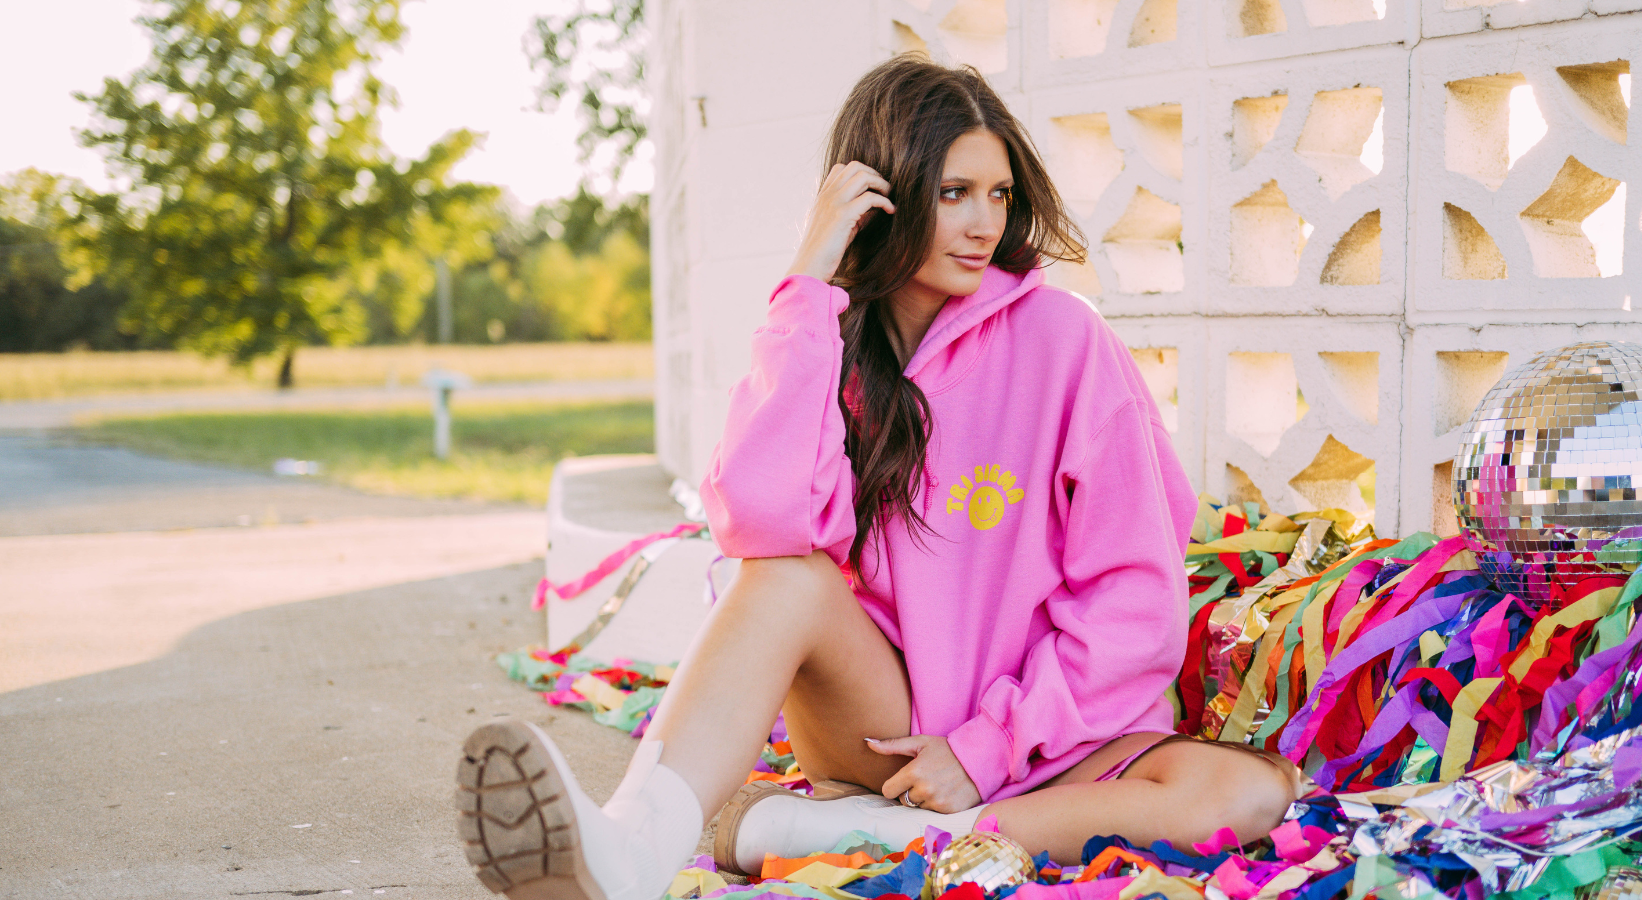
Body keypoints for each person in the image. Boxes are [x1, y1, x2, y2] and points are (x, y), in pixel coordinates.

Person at [455, 56, 1300, 900]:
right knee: (786, 577)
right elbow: (761, 521)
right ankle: (632, 851)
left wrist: (985, 751)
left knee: (1249, 793)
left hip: (1062, 744)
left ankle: (889, 837)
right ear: (885, 197)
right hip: (888, 733)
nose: (982, 225)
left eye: (998, 194)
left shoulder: (1066, 342)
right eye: (952, 193)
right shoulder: (832, 344)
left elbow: (1134, 599)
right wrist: (806, 284)